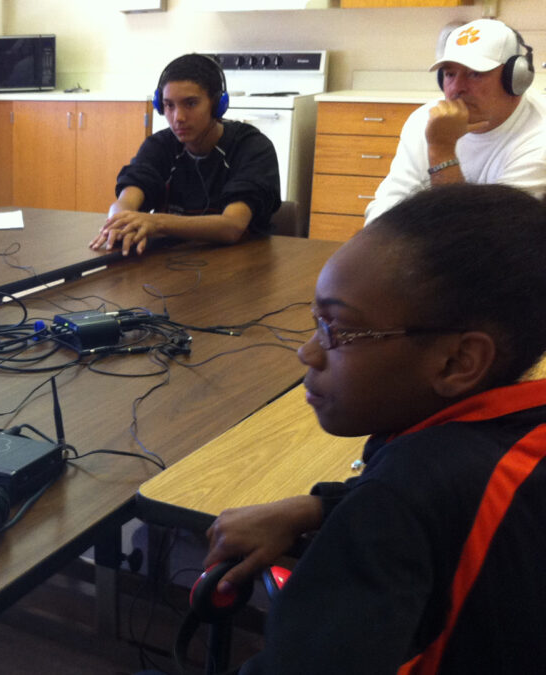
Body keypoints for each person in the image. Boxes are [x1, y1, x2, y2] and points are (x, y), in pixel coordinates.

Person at [203, 184, 546, 673]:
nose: (309, 351)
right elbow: (458, 502)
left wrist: (366, 512)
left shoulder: (400, 499)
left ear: (457, 361)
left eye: (337, 329)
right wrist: (320, 506)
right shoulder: (518, 431)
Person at [91, 53, 280, 255]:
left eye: (190, 103)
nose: (178, 117)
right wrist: (121, 222)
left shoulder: (252, 147)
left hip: (243, 266)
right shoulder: (159, 145)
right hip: (173, 265)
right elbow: (125, 203)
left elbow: (232, 226)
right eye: (169, 105)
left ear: (217, 105)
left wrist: (157, 222)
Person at [364, 18, 546, 224]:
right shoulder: (424, 120)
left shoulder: (539, 136)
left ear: (516, 79)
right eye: (450, 74)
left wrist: (441, 149)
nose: (456, 88)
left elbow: (485, 238)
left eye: (475, 74)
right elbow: (388, 204)